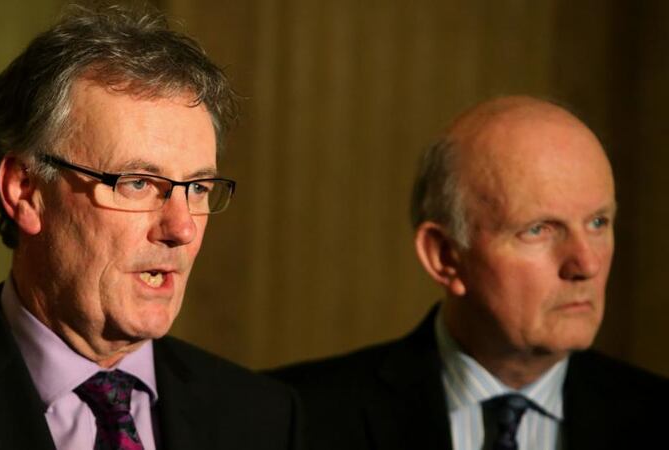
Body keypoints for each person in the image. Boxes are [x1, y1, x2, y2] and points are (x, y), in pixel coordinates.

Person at [0, 4, 301, 450]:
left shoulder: (264, 419)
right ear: (25, 190)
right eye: (137, 183)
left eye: (197, 187)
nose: (181, 228)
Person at [272, 96, 669, 450]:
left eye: (598, 223)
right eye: (539, 230)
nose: (587, 264)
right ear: (444, 255)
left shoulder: (654, 418)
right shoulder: (294, 419)